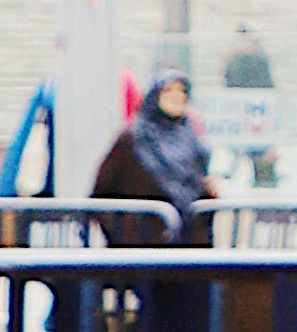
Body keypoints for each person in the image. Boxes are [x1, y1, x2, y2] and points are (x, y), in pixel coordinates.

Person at [92, 67, 214, 237]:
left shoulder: (192, 139)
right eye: (168, 90)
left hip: (187, 248)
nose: (176, 96)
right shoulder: (133, 138)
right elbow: (102, 192)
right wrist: (123, 235)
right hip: (142, 250)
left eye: (182, 91)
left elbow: (198, 187)